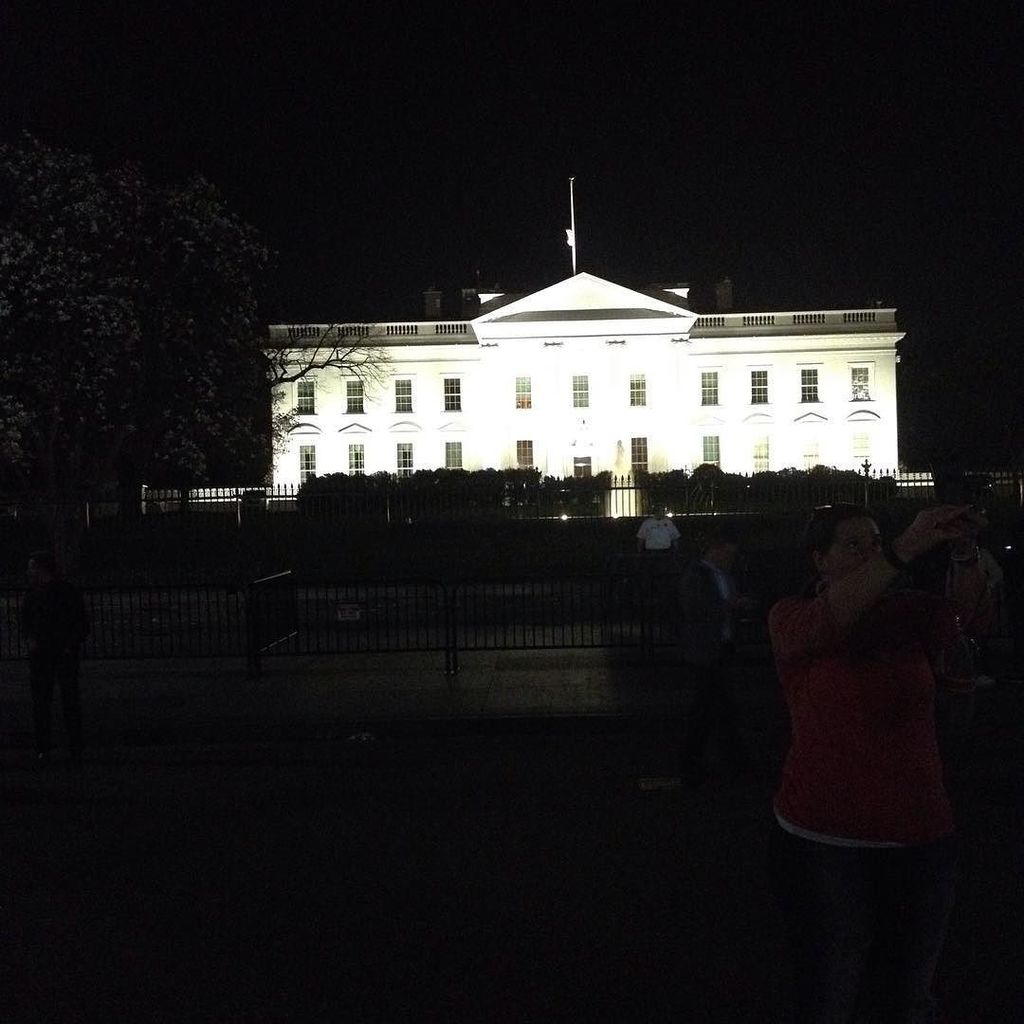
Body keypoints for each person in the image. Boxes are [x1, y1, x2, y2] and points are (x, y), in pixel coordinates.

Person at [767, 503, 983, 1022]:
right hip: (827, 837)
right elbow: (827, 624)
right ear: (819, 560)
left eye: (875, 542)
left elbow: (970, 618)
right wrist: (902, 550)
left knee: (909, 988)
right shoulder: (792, 616)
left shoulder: (909, 611)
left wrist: (964, 551)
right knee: (831, 986)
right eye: (853, 544)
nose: (869, 552)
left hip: (919, 830)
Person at [677, 527, 755, 783]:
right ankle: (702, 761)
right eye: (728, 554)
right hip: (706, 649)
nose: (731, 559)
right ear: (716, 550)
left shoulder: (716, 575)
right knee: (709, 707)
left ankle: (719, 760)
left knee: (717, 706)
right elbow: (695, 609)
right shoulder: (698, 575)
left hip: (720, 646)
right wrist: (731, 605)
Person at [21, 550, 89, 765]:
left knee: (56, 701)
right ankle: (64, 747)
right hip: (51, 653)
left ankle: (51, 748)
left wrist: (67, 644)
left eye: (31, 567)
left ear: (41, 569)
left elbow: (79, 623)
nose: (28, 572)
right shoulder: (54, 592)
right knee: (57, 701)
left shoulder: (39, 594)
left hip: (57, 653)